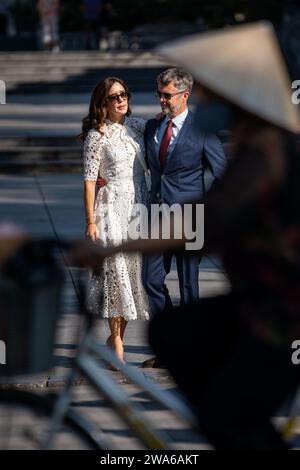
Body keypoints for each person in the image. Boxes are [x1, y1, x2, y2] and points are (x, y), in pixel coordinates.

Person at [74, 21, 300, 448]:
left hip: (283, 318)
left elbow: (212, 216)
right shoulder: (259, 143)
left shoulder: (267, 151)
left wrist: (122, 245)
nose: (205, 102)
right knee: (173, 331)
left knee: (225, 413)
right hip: (260, 301)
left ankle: (232, 421)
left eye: (213, 93)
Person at [141, 68, 227, 368]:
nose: (161, 100)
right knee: (150, 280)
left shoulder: (203, 131)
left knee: (189, 285)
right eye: (159, 94)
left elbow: (222, 173)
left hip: (190, 217)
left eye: (167, 95)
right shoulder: (152, 127)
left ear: (184, 95)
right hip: (156, 215)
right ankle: (172, 343)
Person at [81, 77, 150, 364]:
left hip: (139, 207)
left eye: (124, 94)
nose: (122, 100)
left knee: (134, 277)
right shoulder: (96, 136)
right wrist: (90, 222)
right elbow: (88, 180)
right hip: (110, 208)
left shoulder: (138, 126)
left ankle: (115, 336)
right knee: (116, 274)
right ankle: (118, 342)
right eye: (114, 97)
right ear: (103, 103)